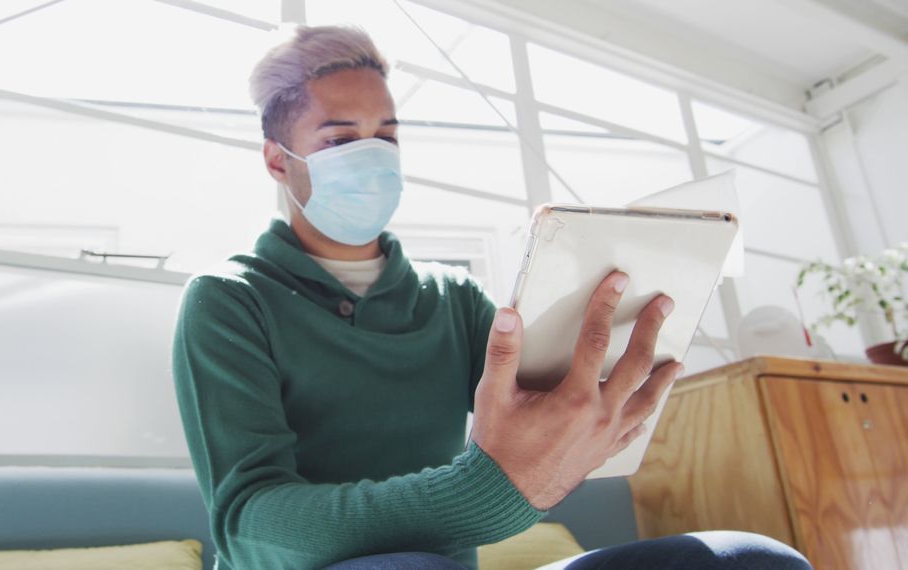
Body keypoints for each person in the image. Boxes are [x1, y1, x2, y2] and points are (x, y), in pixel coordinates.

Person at [171, 24, 812, 570]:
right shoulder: (229, 300)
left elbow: (544, 416)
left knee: (751, 560)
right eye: (341, 140)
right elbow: (249, 521)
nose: (373, 157)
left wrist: (592, 284)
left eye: (386, 137)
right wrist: (485, 491)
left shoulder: (452, 298)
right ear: (278, 161)